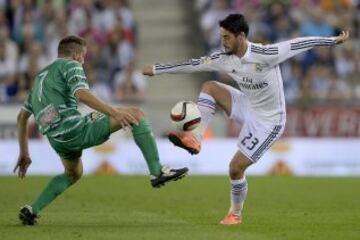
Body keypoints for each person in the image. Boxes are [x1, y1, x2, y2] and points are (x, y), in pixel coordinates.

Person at [143, 14, 349, 225]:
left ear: (241, 36)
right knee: (209, 87)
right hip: (247, 104)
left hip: (269, 121)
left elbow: (299, 43)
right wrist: (157, 70)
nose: (223, 42)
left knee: (235, 168)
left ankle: (235, 213)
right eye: (221, 37)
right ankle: (196, 139)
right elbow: (193, 64)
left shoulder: (265, 54)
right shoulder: (224, 58)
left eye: (227, 37)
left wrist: (333, 40)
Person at [14, 35, 188, 226]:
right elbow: (82, 93)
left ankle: (32, 210)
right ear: (75, 55)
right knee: (136, 114)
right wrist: (115, 112)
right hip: (74, 129)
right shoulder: (71, 65)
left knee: (73, 173)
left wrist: (24, 152)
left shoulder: (39, 78)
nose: (83, 60)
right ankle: (157, 171)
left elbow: (21, 117)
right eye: (83, 56)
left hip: (56, 139)